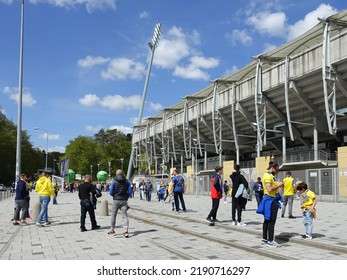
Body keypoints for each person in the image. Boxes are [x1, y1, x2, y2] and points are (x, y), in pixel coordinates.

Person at [256, 161, 284, 247]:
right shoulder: (268, 176)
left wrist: (280, 184)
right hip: (270, 201)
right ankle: (270, 241)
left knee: (267, 220)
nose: (277, 172)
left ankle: (265, 239)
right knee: (271, 221)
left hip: (271, 200)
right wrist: (279, 185)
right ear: (272, 168)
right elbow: (269, 189)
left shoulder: (271, 176)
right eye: (276, 170)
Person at [108, 169, 129, 237]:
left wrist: (115, 195)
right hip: (124, 200)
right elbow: (130, 191)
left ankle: (112, 230)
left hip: (116, 200)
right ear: (122, 174)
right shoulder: (126, 181)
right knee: (125, 216)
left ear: (116, 174)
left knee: (113, 215)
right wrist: (126, 196)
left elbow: (110, 192)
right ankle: (126, 231)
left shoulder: (114, 181)